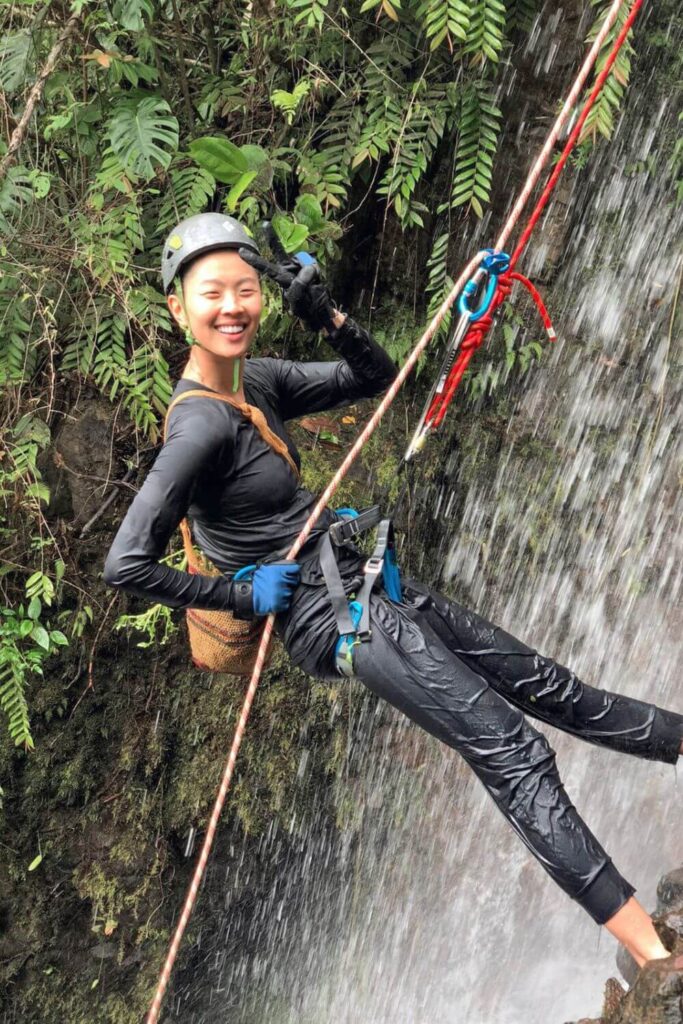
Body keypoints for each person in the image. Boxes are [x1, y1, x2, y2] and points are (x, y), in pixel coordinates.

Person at [103, 212, 683, 972]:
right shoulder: (197, 431)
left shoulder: (261, 382)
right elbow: (125, 563)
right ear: (178, 309)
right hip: (335, 618)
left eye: (245, 289)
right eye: (211, 293)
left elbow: (376, 378)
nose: (232, 306)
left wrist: (326, 313)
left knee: (552, 688)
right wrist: (241, 597)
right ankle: (652, 956)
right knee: (512, 751)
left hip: (366, 581)